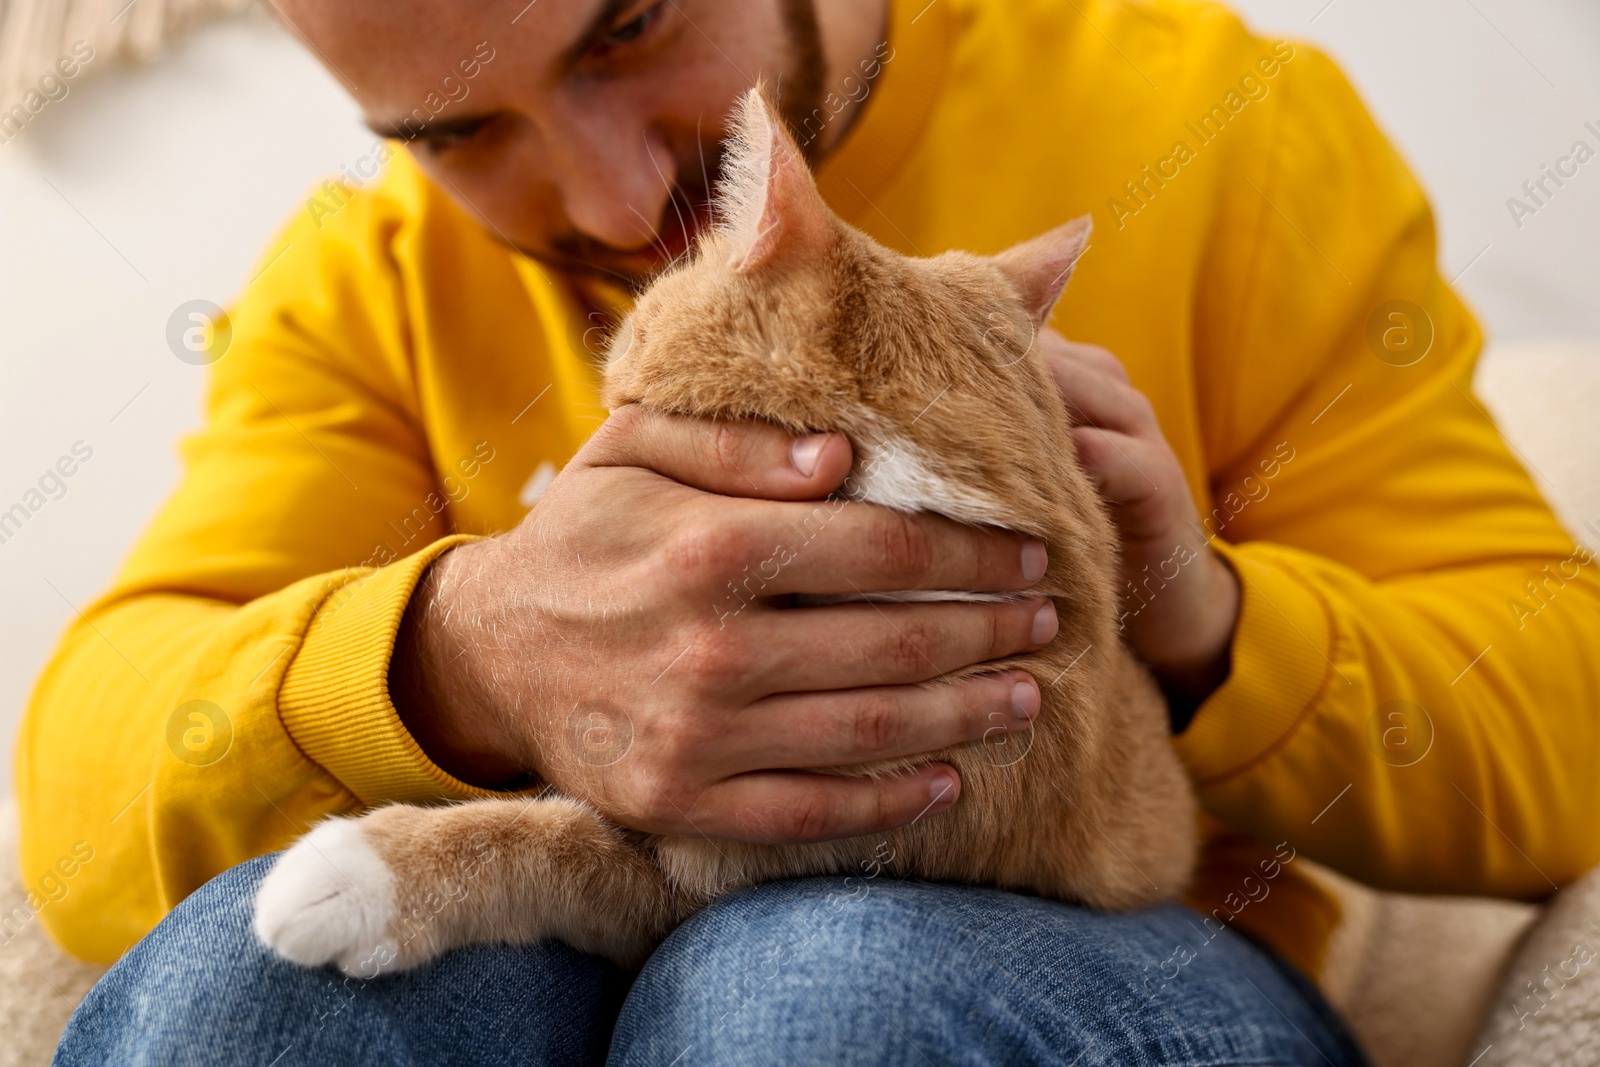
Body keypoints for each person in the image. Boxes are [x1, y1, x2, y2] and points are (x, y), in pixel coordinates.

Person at [22, 0, 1600, 1062]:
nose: (620, 195)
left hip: (1109, 940)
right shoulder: (357, 283)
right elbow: (85, 786)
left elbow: (1569, 718)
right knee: (262, 979)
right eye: (452, 136)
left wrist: (1195, 619)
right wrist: (458, 657)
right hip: (584, 916)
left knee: (812, 987)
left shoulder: (1215, 117)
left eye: (627, 27)